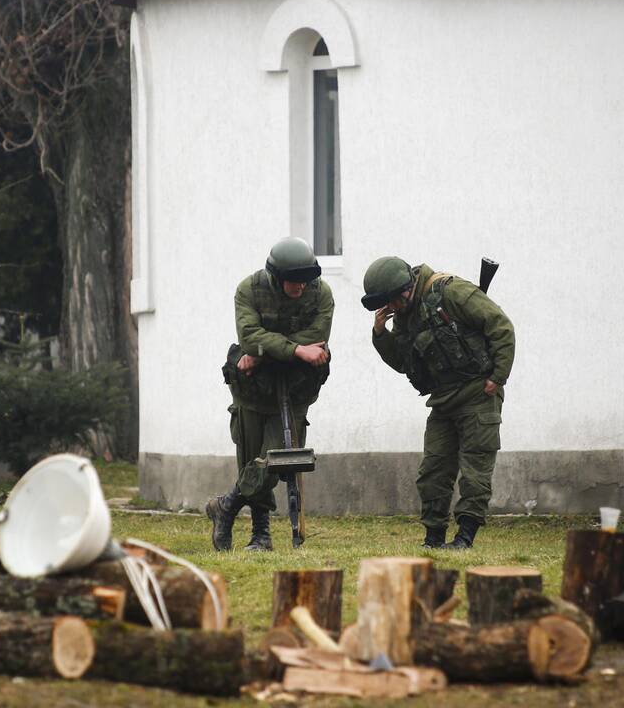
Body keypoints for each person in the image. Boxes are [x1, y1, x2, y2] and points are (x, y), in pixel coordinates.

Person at [361, 256, 515, 550]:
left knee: (475, 468)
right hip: (443, 399)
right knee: (433, 470)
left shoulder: (451, 292)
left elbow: (500, 326)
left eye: (392, 301)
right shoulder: (405, 315)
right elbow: (404, 362)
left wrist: (498, 376)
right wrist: (380, 335)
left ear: (405, 289)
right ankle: (433, 537)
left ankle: (464, 537)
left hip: (477, 393)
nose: (391, 307)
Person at [208, 237, 334, 552]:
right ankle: (260, 536)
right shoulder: (249, 290)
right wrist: (294, 350)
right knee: (251, 459)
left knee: (276, 460)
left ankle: (227, 505)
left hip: (294, 390)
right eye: (295, 281)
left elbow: (317, 338)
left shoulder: (321, 293)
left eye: (307, 280)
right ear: (277, 278)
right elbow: (249, 336)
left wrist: (267, 351)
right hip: (252, 390)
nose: (302, 287)